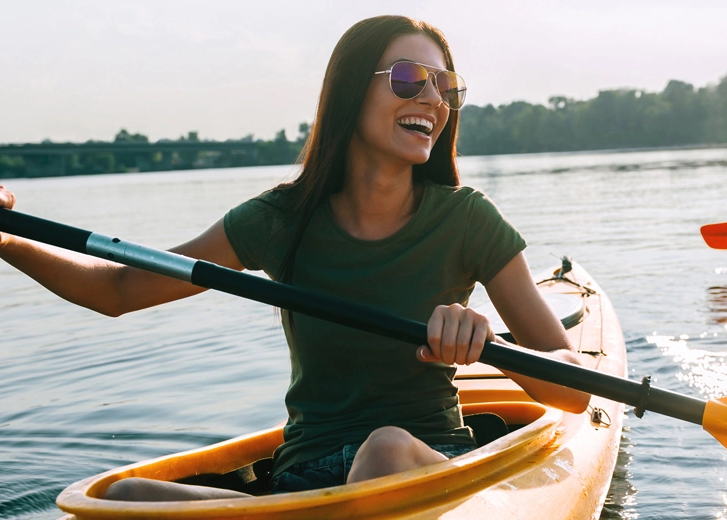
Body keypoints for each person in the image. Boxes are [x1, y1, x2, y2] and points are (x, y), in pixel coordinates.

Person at [0, 15, 589, 501]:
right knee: (120, 497)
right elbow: (119, 290)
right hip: (304, 482)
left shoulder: (467, 220)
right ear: (351, 89)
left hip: (427, 464)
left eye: (446, 85)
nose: (434, 100)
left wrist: (489, 343)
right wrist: (7, 241)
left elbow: (573, 389)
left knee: (382, 448)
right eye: (411, 78)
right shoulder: (279, 220)